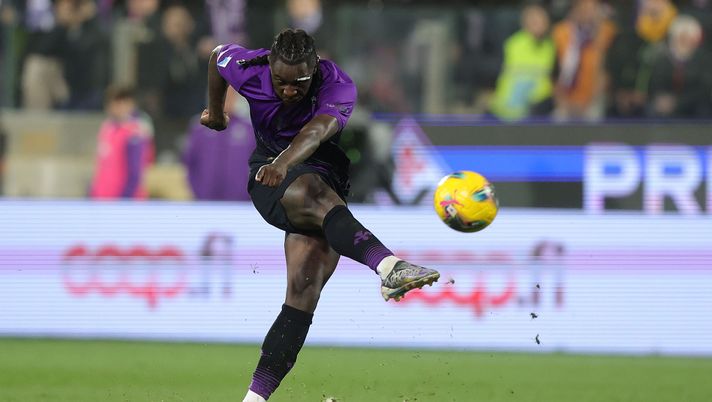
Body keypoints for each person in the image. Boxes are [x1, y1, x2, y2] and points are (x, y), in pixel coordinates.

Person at [200, 29, 440, 402]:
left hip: (318, 176)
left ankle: (253, 399)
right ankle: (389, 266)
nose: (289, 90)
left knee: (303, 292)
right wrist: (217, 112)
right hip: (270, 174)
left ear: (315, 68)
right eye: (281, 82)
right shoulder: (249, 66)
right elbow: (216, 56)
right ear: (270, 67)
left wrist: (286, 161)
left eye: (299, 83)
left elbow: (316, 132)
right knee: (311, 193)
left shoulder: (337, 85)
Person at [183, 87, 255, 201]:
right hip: (204, 201)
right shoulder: (199, 128)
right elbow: (189, 162)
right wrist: (195, 190)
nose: (225, 99)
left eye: (230, 95)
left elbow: (258, 164)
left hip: (240, 203)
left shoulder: (249, 129)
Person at [490, 4, 556, 121]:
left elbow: (545, 80)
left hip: (534, 109)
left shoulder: (550, 47)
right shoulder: (512, 44)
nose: (539, 25)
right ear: (525, 23)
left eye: (542, 21)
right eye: (534, 21)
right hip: (507, 108)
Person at [89, 85, 154, 199]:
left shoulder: (135, 133)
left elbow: (135, 172)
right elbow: (101, 166)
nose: (118, 107)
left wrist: (125, 200)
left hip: (124, 201)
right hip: (102, 199)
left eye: (123, 103)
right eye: (114, 103)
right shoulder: (107, 128)